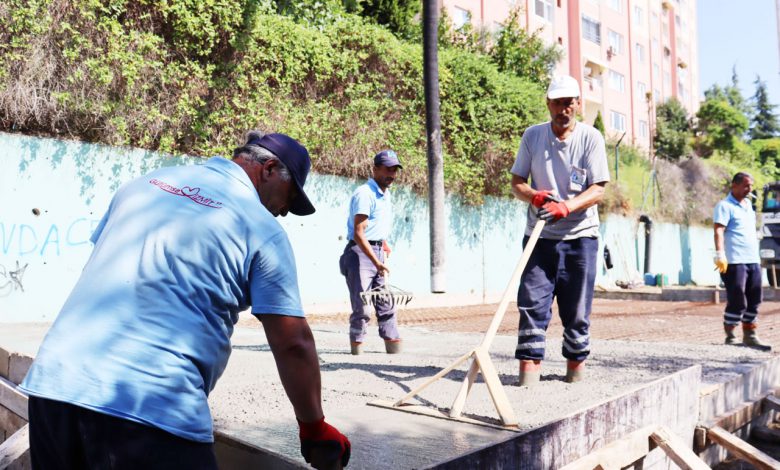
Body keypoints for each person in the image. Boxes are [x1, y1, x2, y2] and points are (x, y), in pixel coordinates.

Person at [20, 131, 350, 469]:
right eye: (289, 197)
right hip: (147, 406)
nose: (283, 212)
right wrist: (313, 428)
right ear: (268, 169)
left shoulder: (145, 184)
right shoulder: (262, 227)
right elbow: (292, 342)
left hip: (55, 389)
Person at [509, 75, 610, 386]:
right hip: (540, 236)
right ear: (548, 104)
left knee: (576, 309)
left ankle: (575, 375)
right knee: (531, 302)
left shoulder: (591, 138)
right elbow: (517, 182)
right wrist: (534, 195)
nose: (563, 109)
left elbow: (598, 189)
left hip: (581, 237)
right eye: (557, 102)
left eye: (569, 103)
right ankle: (528, 378)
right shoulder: (533, 136)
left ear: (577, 105)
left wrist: (567, 206)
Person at [339, 150, 403, 355]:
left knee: (385, 300)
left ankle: (393, 346)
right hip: (360, 253)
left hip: (376, 251)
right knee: (363, 305)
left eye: (394, 170)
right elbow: (359, 233)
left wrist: (382, 244)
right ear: (375, 169)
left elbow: (376, 226)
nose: (391, 174)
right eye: (387, 169)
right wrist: (376, 261)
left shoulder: (385, 194)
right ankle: (357, 348)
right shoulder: (365, 194)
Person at [713, 172, 770, 350]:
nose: (749, 189)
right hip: (734, 260)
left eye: (751, 186)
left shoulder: (748, 206)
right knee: (737, 298)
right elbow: (719, 230)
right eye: (746, 185)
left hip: (752, 259)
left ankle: (750, 335)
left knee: (755, 298)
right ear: (734, 185)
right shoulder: (724, 206)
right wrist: (720, 254)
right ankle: (730, 335)